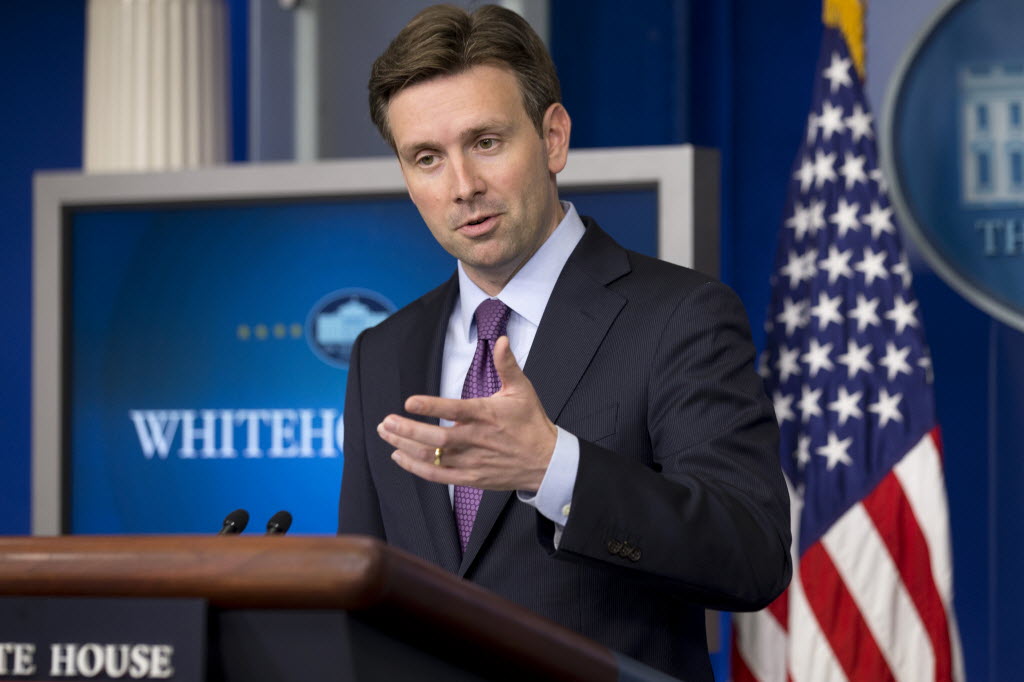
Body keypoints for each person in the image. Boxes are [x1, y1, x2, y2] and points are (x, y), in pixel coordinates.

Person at [339, 5, 791, 680]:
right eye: (426, 158)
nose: (462, 187)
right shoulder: (383, 351)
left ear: (553, 138)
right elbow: (361, 591)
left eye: (486, 142)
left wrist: (554, 469)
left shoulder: (682, 316)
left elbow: (752, 555)